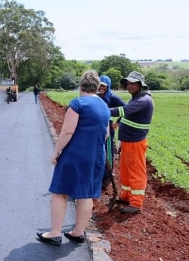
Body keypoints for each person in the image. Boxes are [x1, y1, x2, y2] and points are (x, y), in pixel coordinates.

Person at [37, 69, 110, 246]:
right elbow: (106, 133)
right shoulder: (104, 106)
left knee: (59, 192)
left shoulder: (78, 104)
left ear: (81, 85)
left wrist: (56, 152)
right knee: (86, 194)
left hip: (75, 155)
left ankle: (55, 233)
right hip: (96, 156)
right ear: (97, 87)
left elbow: (68, 131)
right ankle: (78, 232)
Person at [109, 71, 154, 214]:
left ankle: (136, 203)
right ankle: (126, 196)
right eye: (128, 83)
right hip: (128, 141)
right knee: (126, 171)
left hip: (136, 142)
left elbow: (123, 110)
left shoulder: (144, 100)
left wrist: (100, 109)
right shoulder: (136, 98)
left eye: (132, 83)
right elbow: (127, 117)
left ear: (141, 85)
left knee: (136, 172)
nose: (129, 86)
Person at [97, 75, 126, 190]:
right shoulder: (96, 96)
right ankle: (100, 176)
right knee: (99, 152)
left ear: (108, 87)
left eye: (104, 86)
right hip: (97, 128)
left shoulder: (113, 98)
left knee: (108, 153)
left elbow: (127, 110)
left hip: (108, 128)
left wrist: (118, 123)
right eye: (100, 85)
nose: (101, 88)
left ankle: (107, 176)